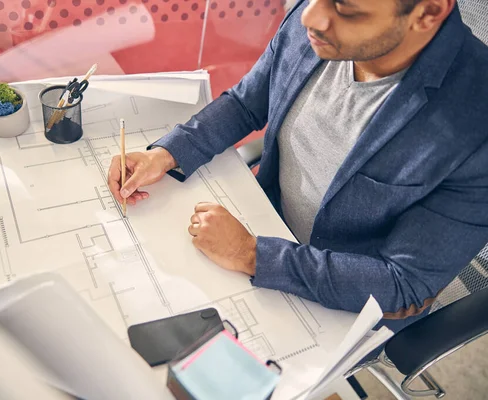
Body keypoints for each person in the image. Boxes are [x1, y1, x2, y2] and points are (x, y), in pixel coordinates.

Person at [107, 0, 488, 332]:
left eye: (345, 7)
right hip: (260, 221)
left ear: (429, 12)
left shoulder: (477, 126)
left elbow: (404, 285)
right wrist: (168, 153)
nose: (310, 16)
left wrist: (252, 255)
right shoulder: (319, 24)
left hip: (345, 301)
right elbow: (246, 103)